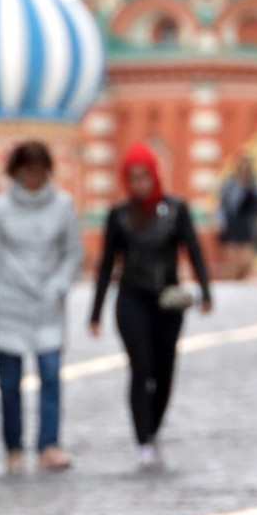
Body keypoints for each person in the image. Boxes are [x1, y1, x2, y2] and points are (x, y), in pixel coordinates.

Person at [88, 142, 213, 471]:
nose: (139, 184)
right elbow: (106, 264)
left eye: (144, 176)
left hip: (167, 301)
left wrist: (206, 291)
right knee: (141, 366)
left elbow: (193, 250)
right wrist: (96, 311)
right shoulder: (119, 216)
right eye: (133, 177)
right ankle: (142, 437)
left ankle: (154, 428)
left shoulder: (175, 210)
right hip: (132, 297)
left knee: (165, 369)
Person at [0, 141, 82, 475]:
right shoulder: (1, 208)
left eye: (39, 170)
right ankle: (14, 447)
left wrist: (61, 284)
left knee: (50, 374)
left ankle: (48, 444)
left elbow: (72, 253)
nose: (33, 177)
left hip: (48, 302)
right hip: (9, 302)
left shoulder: (63, 205)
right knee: (9, 383)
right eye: (27, 170)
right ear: (17, 172)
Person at [216, 156, 257, 280]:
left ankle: (240, 280)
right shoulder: (230, 184)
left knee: (247, 262)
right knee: (234, 261)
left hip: (246, 223)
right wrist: (220, 221)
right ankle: (237, 284)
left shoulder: (254, 184)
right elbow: (222, 204)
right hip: (232, 222)